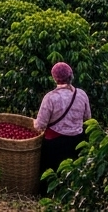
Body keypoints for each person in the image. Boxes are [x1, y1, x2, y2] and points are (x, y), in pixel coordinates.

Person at [34, 62, 91, 194]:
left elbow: (40, 125)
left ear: (54, 78)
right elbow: (88, 118)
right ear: (71, 76)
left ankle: (47, 197)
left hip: (55, 144)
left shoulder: (50, 97)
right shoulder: (81, 94)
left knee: (50, 173)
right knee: (72, 173)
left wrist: (33, 122)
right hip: (77, 142)